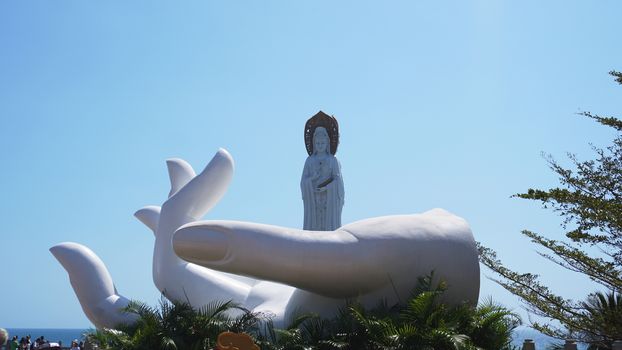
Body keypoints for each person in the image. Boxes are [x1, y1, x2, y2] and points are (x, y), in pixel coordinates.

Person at [301, 126, 344, 230]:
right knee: (314, 227)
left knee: (328, 227)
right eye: (318, 143)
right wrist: (312, 178)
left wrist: (327, 188)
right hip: (313, 199)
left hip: (328, 200)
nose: (320, 146)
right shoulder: (310, 161)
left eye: (322, 143)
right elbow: (303, 182)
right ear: (314, 143)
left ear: (327, 143)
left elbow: (338, 181)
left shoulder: (332, 160)